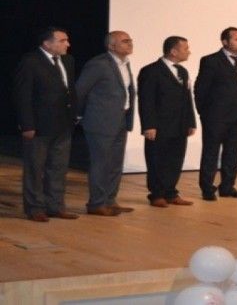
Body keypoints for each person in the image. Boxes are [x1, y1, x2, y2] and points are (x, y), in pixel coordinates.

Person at [13, 27, 79, 222]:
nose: (67, 44)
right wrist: (27, 124)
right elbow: (22, 95)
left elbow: (70, 90)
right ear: (47, 43)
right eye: (62, 41)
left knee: (58, 167)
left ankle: (55, 206)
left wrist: (75, 115)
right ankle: (35, 208)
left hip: (63, 124)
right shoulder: (30, 61)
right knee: (35, 168)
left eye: (67, 40)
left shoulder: (68, 60)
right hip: (39, 126)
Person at [76, 30, 136, 216]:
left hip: (120, 120)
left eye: (130, 40)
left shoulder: (125, 63)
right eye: (125, 41)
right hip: (100, 122)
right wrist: (79, 115)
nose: (130, 43)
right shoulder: (99, 64)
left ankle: (110, 200)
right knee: (101, 163)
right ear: (111, 46)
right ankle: (96, 203)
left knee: (115, 163)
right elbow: (80, 91)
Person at [137, 36, 196, 208]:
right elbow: (146, 100)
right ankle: (156, 194)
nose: (189, 52)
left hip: (179, 124)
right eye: (185, 48)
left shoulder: (182, 71)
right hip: (159, 125)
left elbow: (187, 98)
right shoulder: (151, 71)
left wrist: (191, 122)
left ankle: (170, 192)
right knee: (157, 160)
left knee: (175, 159)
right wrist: (149, 125)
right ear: (173, 51)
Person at [194, 27, 237, 200]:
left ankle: (227, 186)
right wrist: (204, 113)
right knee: (211, 153)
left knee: (232, 152)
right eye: (236, 39)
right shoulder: (211, 60)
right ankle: (207, 188)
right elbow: (200, 88)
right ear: (225, 41)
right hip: (215, 116)